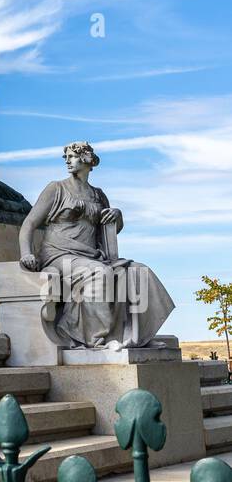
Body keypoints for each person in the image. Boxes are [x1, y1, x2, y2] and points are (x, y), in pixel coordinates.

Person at [18, 141, 174, 348]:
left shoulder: (98, 195)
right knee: (99, 273)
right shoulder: (56, 188)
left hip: (91, 255)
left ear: (87, 159)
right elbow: (29, 223)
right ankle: (98, 338)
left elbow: (109, 229)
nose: (67, 161)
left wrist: (117, 216)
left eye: (72, 157)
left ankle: (136, 336)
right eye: (66, 158)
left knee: (138, 272)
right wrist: (26, 253)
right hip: (59, 256)